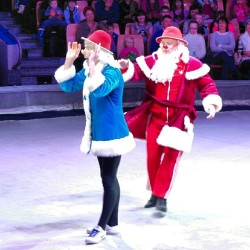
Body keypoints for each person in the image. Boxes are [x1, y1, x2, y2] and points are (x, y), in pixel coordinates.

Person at [119, 26, 222, 213]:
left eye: (169, 43)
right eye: (163, 43)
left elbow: (207, 83)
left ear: (179, 44)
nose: (165, 46)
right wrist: (125, 67)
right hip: (155, 116)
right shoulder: (153, 60)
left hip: (179, 119)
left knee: (171, 158)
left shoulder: (192, 64)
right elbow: (135, 72)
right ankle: (154, 194)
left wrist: (211, 101)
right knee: (152, 158)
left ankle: (162, 196)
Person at [54, 30, 136, 244]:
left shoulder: (112, 72)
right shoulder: (92, 69)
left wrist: (91, 66)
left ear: (100, 51)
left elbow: (99, 90)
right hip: (100, 132)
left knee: (108, 179)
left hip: (112, 133)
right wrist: (68, 62)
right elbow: (67, 85)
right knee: (109, 177)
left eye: (90, 46)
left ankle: (101, 227)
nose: (85, 50)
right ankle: (113, 223)